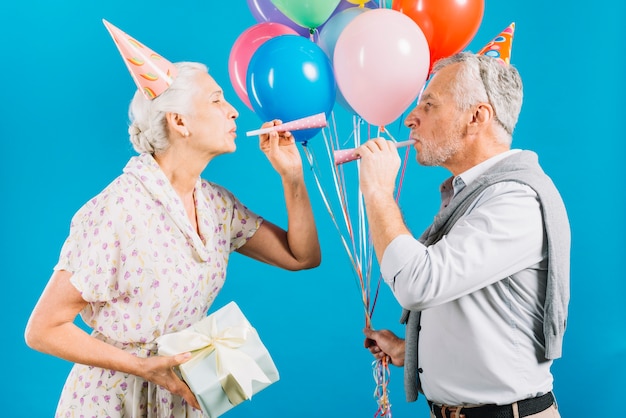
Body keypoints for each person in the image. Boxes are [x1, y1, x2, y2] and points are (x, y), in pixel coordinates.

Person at [25, 22, 321, 417]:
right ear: (179, 122)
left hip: (177, 395)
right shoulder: (118, 209)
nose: (233, 110)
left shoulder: (217, 205)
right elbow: (42, 328)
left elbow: (302, 257)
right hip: (112, 401)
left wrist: (292, 178)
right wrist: (143, 366)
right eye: (216, 100)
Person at [357, 52, 570, 418]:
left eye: (429, 105)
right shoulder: (475, 195)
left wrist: (377, 191)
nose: (411, 119)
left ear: (477, 117)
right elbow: (482, 312)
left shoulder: (516, 199)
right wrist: (412, 349)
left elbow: (417, 283)